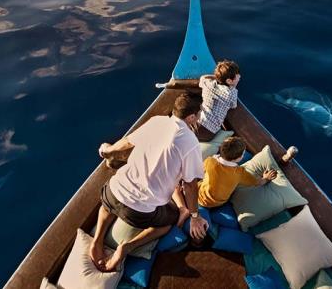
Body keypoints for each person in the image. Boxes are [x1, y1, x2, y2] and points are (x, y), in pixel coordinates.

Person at [90, 92, 209, 272]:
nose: (199, 116)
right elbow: (190, 185)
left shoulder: (157, 121)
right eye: (199, 113)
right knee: (168, 222)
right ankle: (127, 247)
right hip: (138, 213)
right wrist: (194, 216)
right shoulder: (190, 141)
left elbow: (126, 143)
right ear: (191, 116)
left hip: (112, 193)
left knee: (107, 205)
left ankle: (97, 240)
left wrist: (107, 151)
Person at [198, 136, 277, 208]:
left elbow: (200, 171)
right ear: (238, 158)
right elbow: (257, 182)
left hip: (199, 196)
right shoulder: (240, 172)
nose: (243, 155)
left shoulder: (210, 160)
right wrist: (266, 178)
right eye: (243, 154)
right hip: (217, 203)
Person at [196, 60, 240, 142]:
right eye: (237, 77)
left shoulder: (208, 84)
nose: (239, 77)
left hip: (197, 122)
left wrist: (216, 77)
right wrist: (233, 87)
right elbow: (234, 105)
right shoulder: (231, 93)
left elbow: (203, 77)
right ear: (229, 81)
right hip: (209, 132)